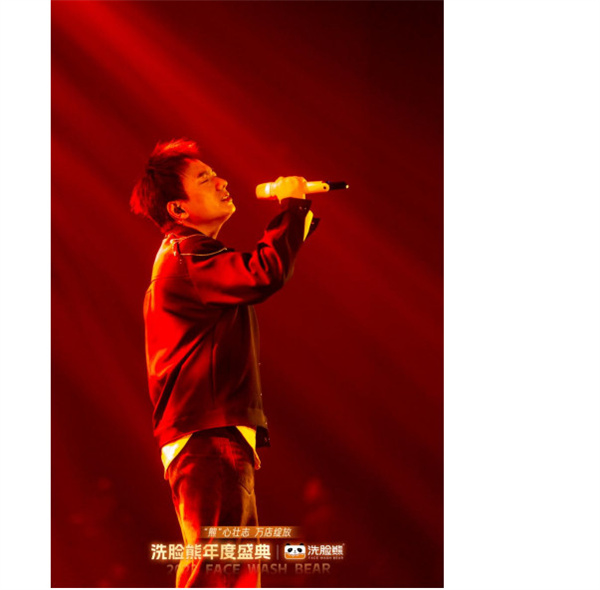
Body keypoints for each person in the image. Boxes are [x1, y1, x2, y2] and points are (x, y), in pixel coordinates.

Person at [130, 139, 318, 587]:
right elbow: (263, 273)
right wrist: (292, 209)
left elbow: (259, 269)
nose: (222, 181)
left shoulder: (190, 258)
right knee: (221, 571)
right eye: (205, 178)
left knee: (230, 571)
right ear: (178, 208)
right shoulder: (187, 255)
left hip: (209, 436)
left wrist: (297, 220)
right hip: (208, 438)